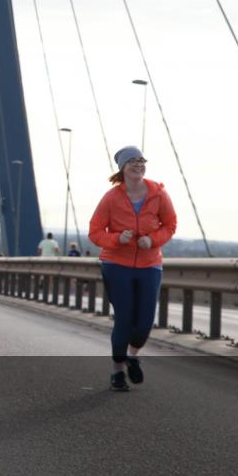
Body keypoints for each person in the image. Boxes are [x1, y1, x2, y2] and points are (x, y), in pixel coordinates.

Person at [89, 146, 177, 392]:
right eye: (132, 162)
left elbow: (170, 224)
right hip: (117, 265)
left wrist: (153, 240)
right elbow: (95, 232)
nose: (138, 165)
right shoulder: (111, 198)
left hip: (150, 265)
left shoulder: (159, 194)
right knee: (125, 320)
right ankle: (117, 372)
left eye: (141, 161)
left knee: (145, 322)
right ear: (123, 168)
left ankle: (133, 355)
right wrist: (117, 239)